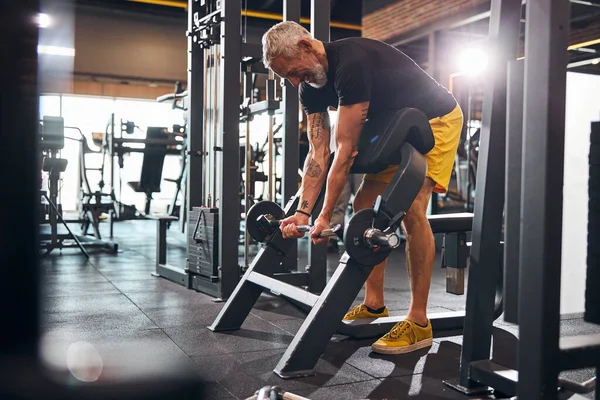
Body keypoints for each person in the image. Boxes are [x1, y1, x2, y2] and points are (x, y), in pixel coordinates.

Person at [261, 21, 463, 355]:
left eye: (295, 71)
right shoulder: (308, 87)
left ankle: (418, 322)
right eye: (288, 78)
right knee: (364, 203)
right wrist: (301, 212)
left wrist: (324, 216)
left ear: (307, 46)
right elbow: (318, 153)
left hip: (434, 119)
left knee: (411, 207)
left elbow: (344, 153)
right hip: (395, 124)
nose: (296, 82)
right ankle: (374, 304)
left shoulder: (349, 63)